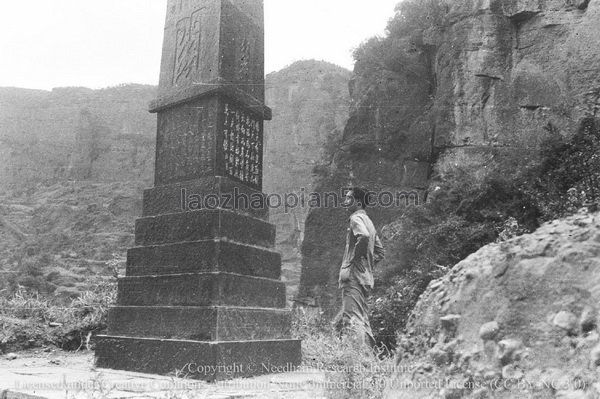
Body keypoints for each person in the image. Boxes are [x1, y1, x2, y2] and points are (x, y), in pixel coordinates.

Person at [334, 187, 385, 349]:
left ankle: (356, 362)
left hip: (354, 277)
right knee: (363, 320)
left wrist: (355, 260)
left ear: (357, 202)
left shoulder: (355, 218)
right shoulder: (368, 221)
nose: (345, 201)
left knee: (352, 320)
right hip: (365, 278)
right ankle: (369, 361)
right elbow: (380, 252)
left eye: (348, 198)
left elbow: (363, 236)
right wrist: (366, 264)